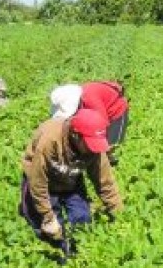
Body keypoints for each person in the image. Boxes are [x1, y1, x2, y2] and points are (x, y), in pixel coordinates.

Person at [19, 108, 123, 258]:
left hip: (71, 179)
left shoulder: (94, 147)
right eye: (88, 144)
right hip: (42, 181)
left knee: (82, 219)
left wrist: (119, 214)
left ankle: (77, 255)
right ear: (75, 135)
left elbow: (105, 182)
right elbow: (38, 181)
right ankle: (56, 261)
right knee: (50, 230)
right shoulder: (49, 140)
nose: (92, 149)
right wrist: (48, 217)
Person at [50, 81, 130, 166]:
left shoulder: (89, 99)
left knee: (110, 144)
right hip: (99, 110)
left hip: (115, 111)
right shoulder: (70, 100)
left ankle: (107, 164)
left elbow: (101, 123)